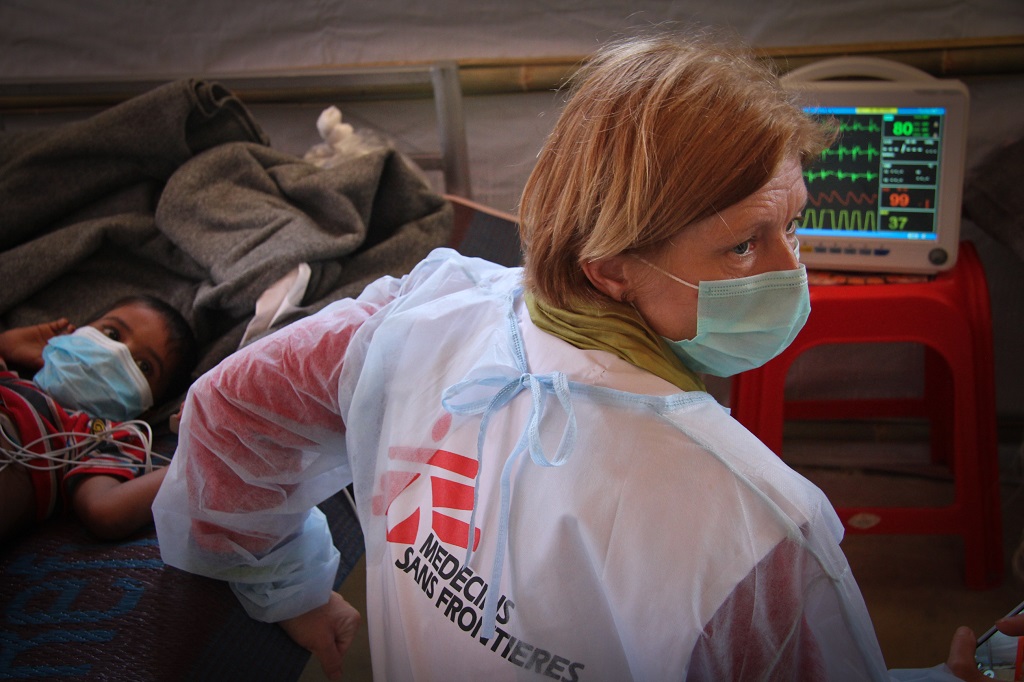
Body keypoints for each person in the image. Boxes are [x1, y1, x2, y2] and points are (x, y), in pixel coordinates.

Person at [153, 32, 1018, 681]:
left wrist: (289, 586)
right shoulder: (757, 533)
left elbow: (233, 413)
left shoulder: (412, 321)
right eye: (745, 247)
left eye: (792, 224)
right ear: (611, 264)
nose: (797, 273)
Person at [1, 295, 198, 542]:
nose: (114, 353)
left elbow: (105, 511)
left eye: (143, 366)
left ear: (146, 410)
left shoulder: (100, 436)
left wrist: (194, 458)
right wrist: (7, 345)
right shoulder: (10, 377)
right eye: (113, 334)